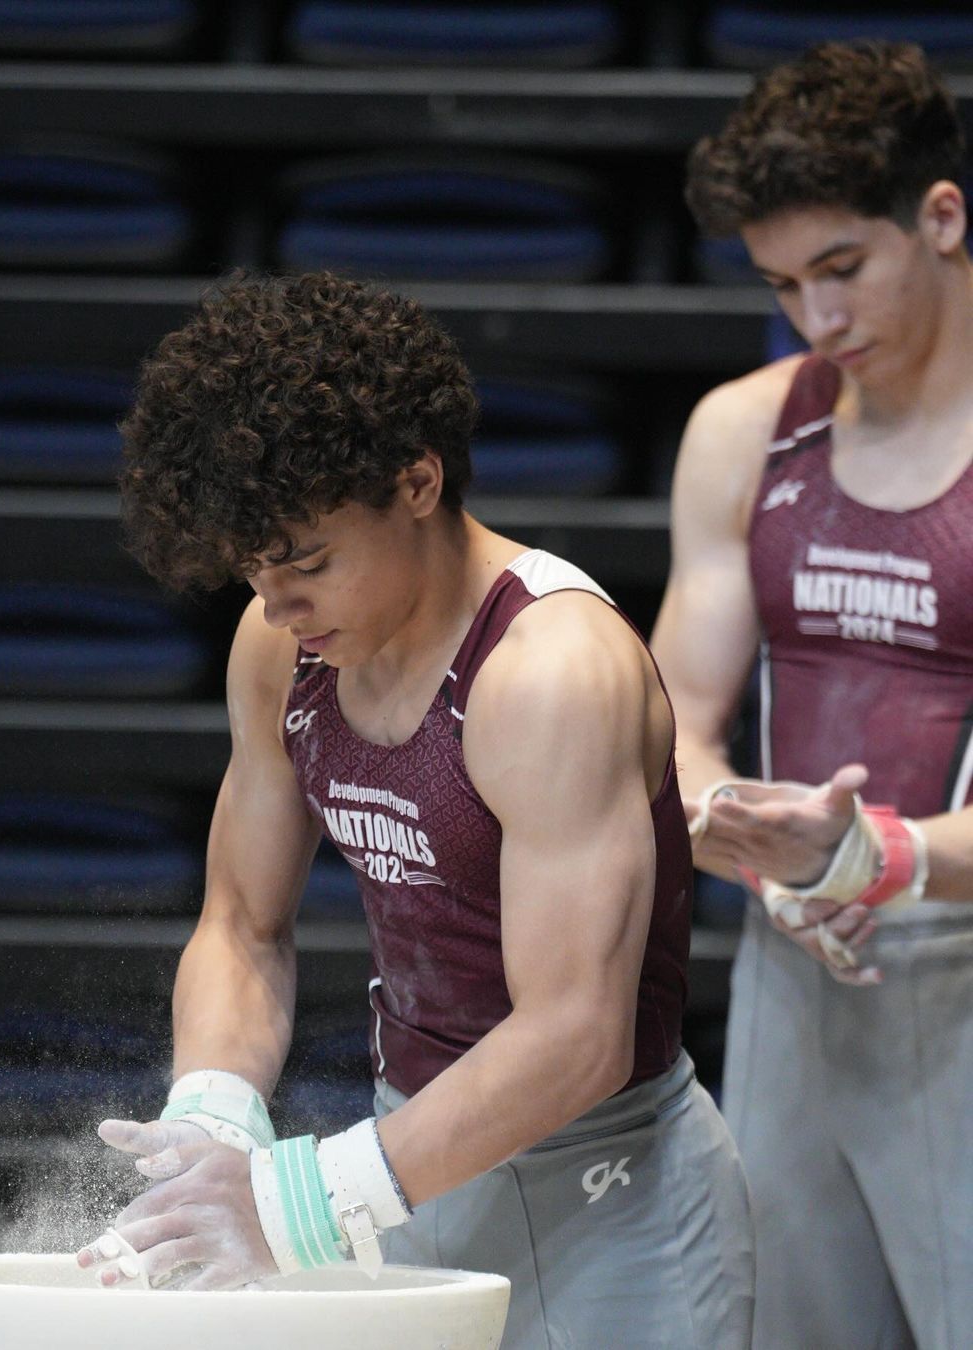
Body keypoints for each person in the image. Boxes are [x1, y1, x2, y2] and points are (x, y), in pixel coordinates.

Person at [74, 271, 754, 1346]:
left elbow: (578, 1036)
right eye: (252, 568)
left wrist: (299, 1202)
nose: (275, 603)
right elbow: (242, 925)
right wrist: (213, 1106)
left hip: (613, 1199)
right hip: (418, 1167)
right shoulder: (281, 649)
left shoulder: (549, 672)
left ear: (420, 482)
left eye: (306, 561)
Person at [651, 39, 973, 1350]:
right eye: (784, 284)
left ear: (942, 217)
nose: (817, 321)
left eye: (843, 269)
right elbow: (668, 722)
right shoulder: (750, 428)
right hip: (797, 959)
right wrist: (750, 837)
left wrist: (874, 850)